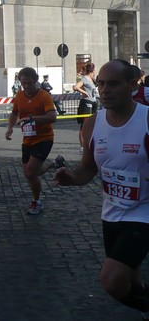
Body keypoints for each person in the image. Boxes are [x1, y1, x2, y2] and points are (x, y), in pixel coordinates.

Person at [52, 59, 149, 320]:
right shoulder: (92, 124)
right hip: (112, 214)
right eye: (102, 83)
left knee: (112, 281)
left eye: (113, 84)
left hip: (143, 215)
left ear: (132, 85)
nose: (105, 90)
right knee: (132, 276)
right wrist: (71, 178)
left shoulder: (147, 119)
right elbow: (88, 168)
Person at [5, 67, 57, 215]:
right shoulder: (19, 96)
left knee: (30, 172)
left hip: (44, 138)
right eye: (23, 83)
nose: (26, 86)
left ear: (36, 80)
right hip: (27, 140)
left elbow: (52, 117)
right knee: (29, 173)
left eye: (29, 83)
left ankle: (37, 202)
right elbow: (14, 113)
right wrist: (9, 128)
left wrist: (32, 118)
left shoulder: (44, 96)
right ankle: (52, 164)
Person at [73, 62, 97, 153]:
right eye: (94, 69)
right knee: (84, 125)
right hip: (86, 103)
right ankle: (82, 147)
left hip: (93, 102)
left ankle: (90, 144)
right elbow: (75, 87)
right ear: (93, 70)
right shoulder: (85, 79)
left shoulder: (92, 79)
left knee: (92, 124)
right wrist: (84, 92)